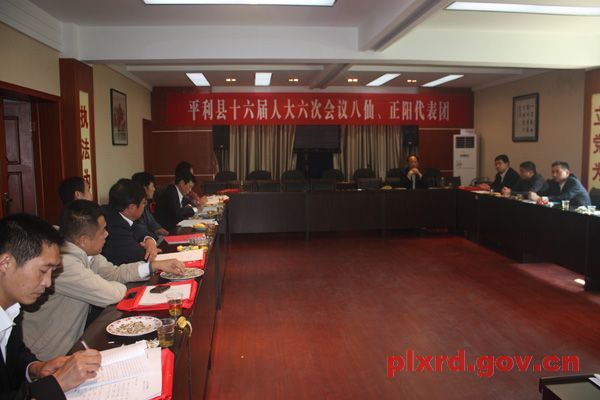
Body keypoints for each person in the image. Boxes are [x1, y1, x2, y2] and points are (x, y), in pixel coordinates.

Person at [22, 200, 184, 361]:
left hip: (74, 343)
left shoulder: (86, 253)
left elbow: (114, 273)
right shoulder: (64, 263)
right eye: (102, 231)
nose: (107, 234)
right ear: (84, 240)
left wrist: (152, 266)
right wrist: (107, 283)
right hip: (47, 355)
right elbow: (111, 295)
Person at [0, 213, 101, 399]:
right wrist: (57, 384)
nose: (48, 283)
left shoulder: (12, 308)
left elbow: (15, 356)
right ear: (6, 263)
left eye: (52, 272)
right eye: (43, 270)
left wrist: (36, 368)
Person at [101, 179, 159, 265]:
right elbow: (141, 256)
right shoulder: (114, 226)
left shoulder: (118, 215)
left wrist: (149, 240)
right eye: (144, 203)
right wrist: (151, 249)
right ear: (132, 207)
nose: (144, 206)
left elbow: (143, 232)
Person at [131, 172, 169, 240]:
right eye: (152, 186)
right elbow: (141, 232)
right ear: (144, 188)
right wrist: (157, 237)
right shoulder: (135, 207)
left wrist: (165, 232)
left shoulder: (145, 203)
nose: (154, 189)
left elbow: (152, 222)